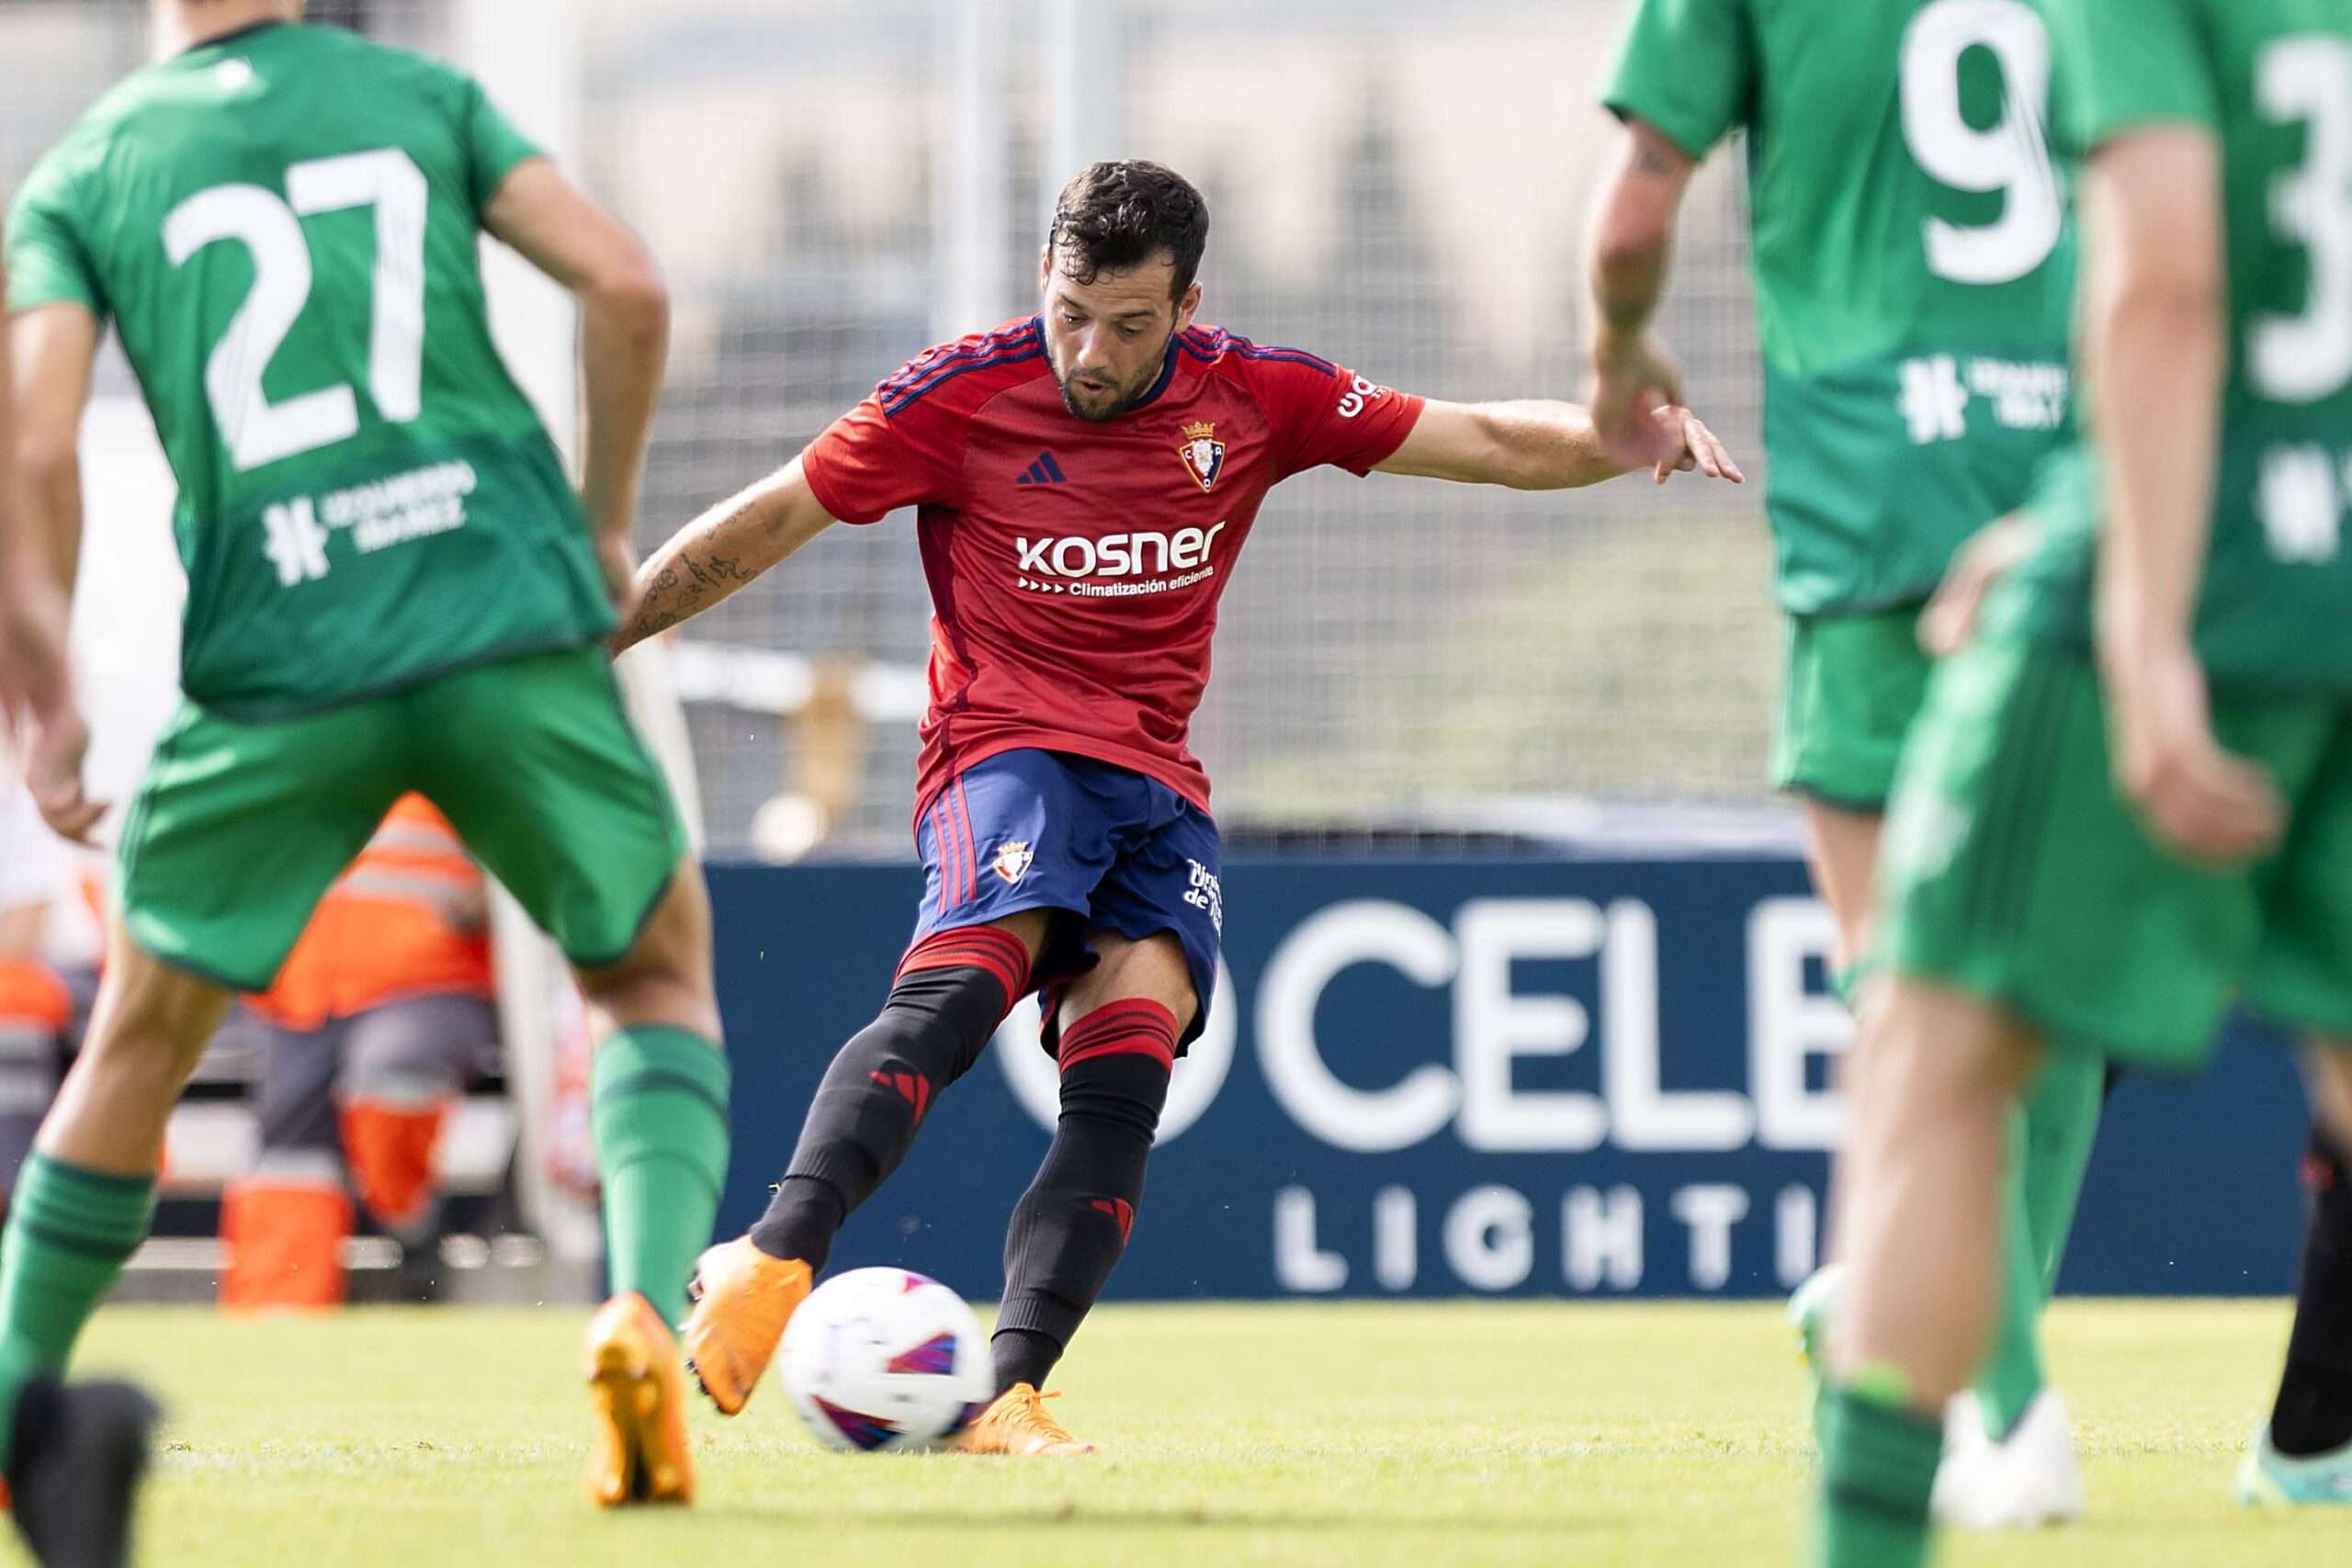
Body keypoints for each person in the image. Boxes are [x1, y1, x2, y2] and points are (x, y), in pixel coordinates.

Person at [616, 158, 1742, 1457]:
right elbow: (770, 521)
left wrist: (1621, 434)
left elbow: (1481, 437)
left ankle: (1007, 1392)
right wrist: (607, 630)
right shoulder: (961, 394)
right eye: (1071, 311)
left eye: (1131, 324)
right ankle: (775, 1253)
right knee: (966, 992)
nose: (1091, 350)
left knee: (1128, 1060)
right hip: (1005, 753)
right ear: (1046, 278)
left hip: (1157, 786)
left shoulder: (1256, 395)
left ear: (1189, 304)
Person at [3, 2, 727, 1551]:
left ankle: (10, 1401)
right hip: (500, 617)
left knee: (136, 1040)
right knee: (651, 970)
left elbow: (38, 444)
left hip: (278, 653)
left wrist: (46, 692)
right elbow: (627, 283)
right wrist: (603, 522)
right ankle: (644, 1335)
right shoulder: (419, 95)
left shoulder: (85, 170)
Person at [1814, 0, 2352, 1562]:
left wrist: (2138, 605)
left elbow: (2169, 279)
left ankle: (1892, 1522)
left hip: (2217, 574)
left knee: (1931, 1053)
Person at [1586, 0, 2103, 1524]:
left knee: (1902, 987)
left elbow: (1630, 220)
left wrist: (1618, 351)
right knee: (2044, 985)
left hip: (1883, 521)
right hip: (2092, 498)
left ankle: (2001, 1413)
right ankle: (1931, 1307)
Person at [221, 795, 498, 1309]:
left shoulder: (455, 732)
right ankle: (277, 1324)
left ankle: (411, 1228)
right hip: (302, 991)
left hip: (429, 980)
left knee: (390, 1081)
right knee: (285, 1168)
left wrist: (495, 891)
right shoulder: (293, 739)